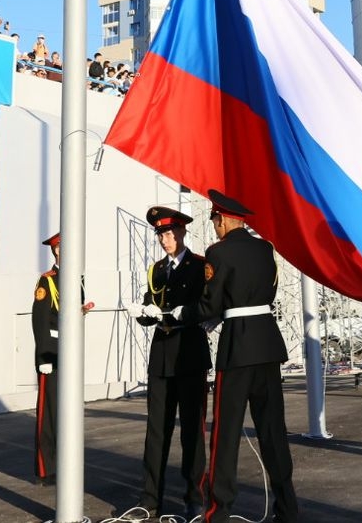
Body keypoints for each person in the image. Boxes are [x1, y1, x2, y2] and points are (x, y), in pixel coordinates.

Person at [194, 189, 299, 522]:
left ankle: (218, 511)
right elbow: (267, 292)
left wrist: (181, 314)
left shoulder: (218, 253)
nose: (214, 227)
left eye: (214, 221)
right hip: (267, 344)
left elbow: (210, 305)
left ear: (222, 220)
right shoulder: (265, 250)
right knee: (273, 432)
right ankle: (287, 508)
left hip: (237, 348)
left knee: (226, 435)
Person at [133, 205, 211, 519]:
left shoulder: (200, 266)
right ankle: (150, 499)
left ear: (181, 232)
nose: (165, 239)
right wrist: (142, 314)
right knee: (156, 431)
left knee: (192, 430)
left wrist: (175, 313)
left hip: (189, 353)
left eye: (168, 233)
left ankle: (194, 498)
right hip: (162, 355)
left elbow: (204, 306)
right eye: (160, 234)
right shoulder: (157, 270)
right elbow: (151, 306)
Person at [30, 232, 94, 486]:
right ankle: (46, 469)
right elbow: (40, 321)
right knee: (49, 414)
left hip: (71, 352)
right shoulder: (47, 281)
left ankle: (66, 464)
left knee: (67, 412)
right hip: (53, 353)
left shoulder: (76, 281)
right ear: (56, 251)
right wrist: (43, 357)